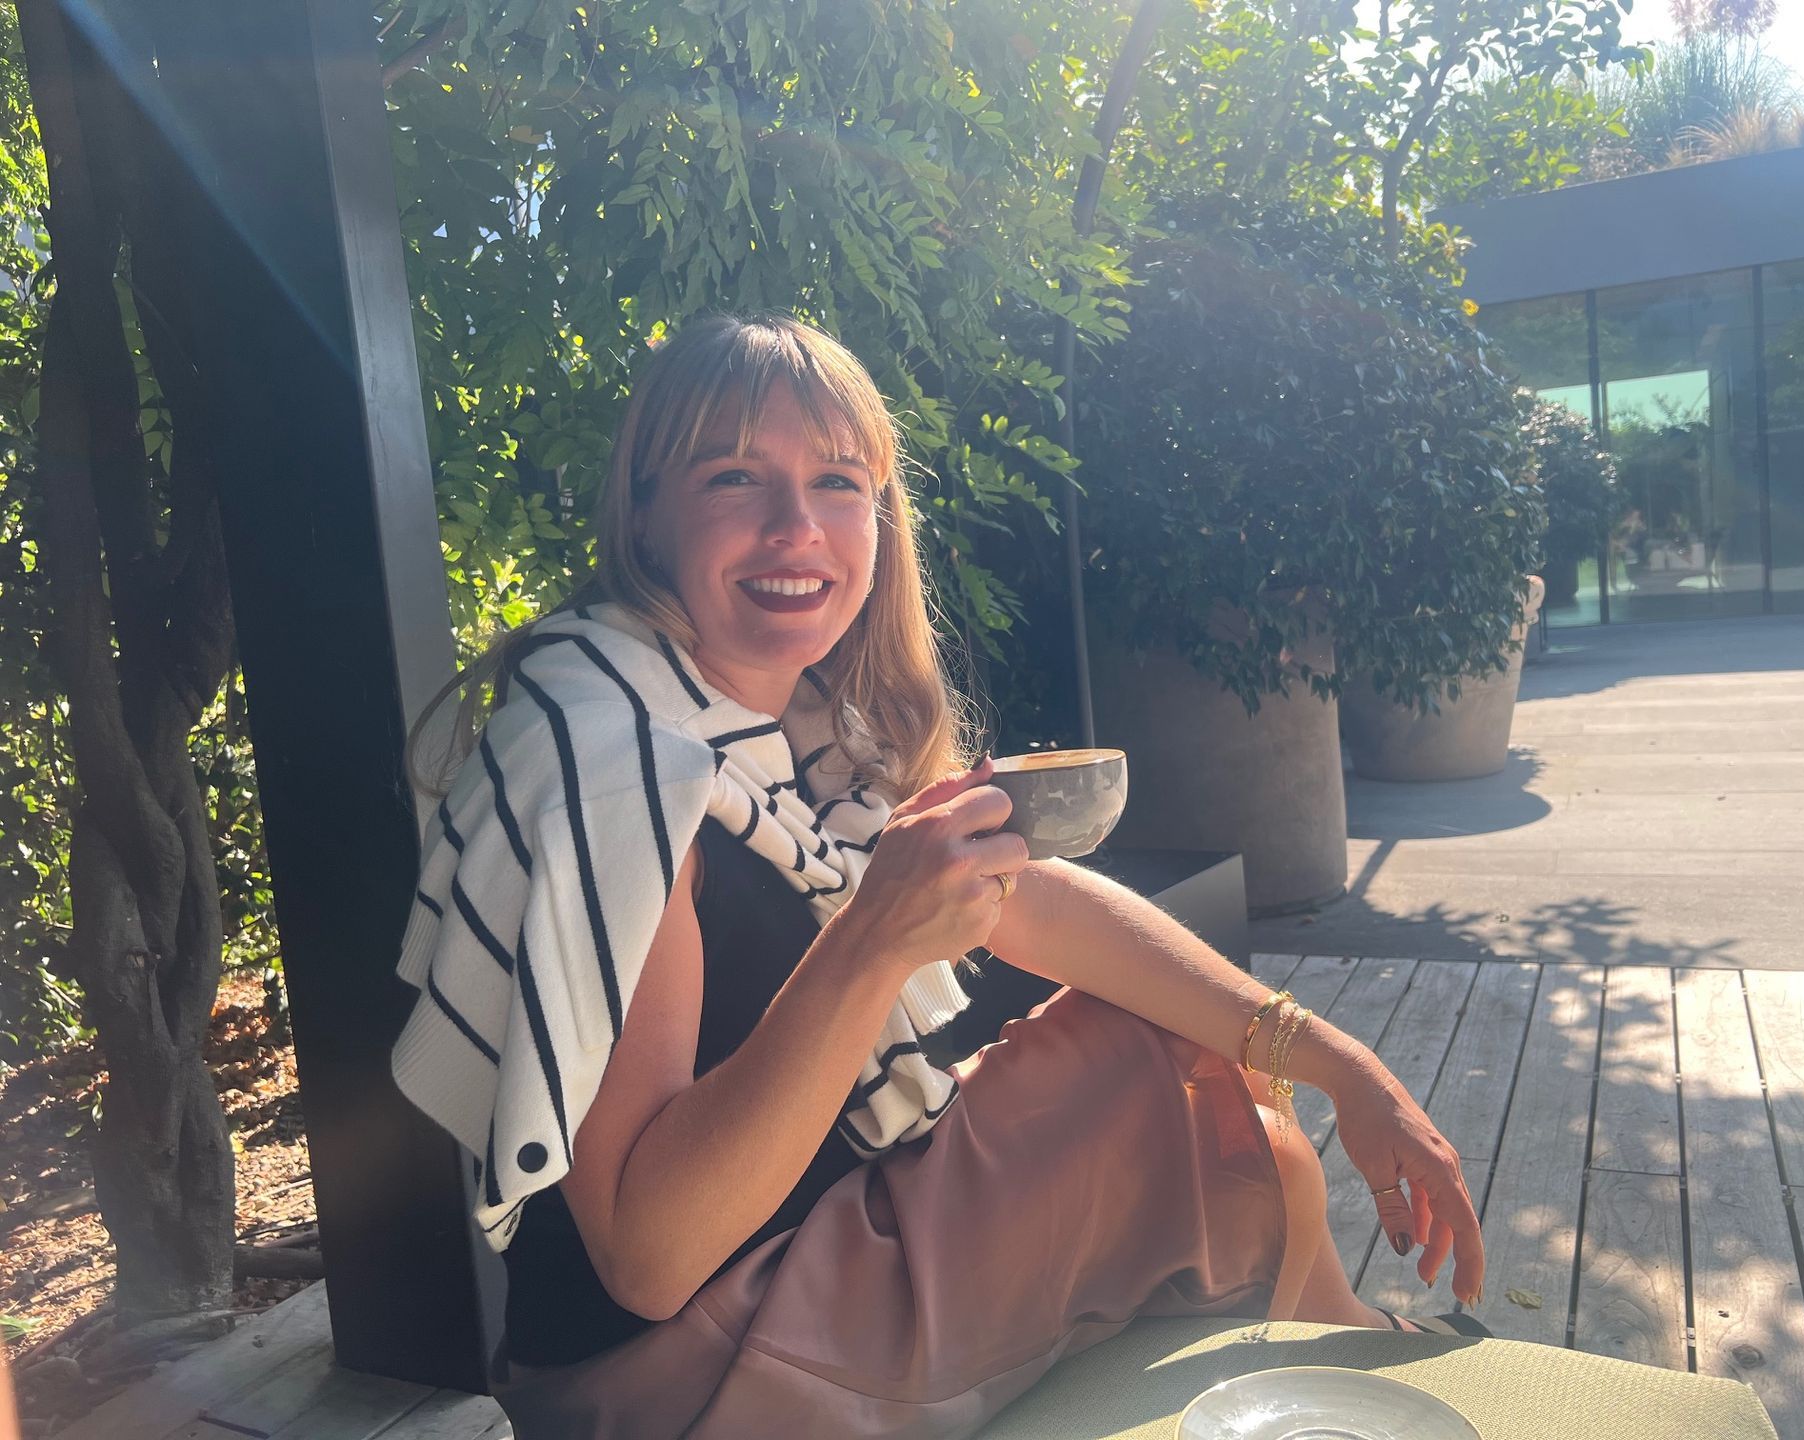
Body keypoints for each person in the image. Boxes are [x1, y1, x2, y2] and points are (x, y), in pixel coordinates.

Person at [391, 313, 1487, 1439]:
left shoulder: (791, 724)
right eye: (733, 477)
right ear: (643, 513)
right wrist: (873, 940)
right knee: (1185, 1103)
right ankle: (1344, 1360)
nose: (795, 526)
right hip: (679, 1377)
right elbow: (648, 1259)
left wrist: (1342, 1066)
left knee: (1191, 1055)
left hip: (809, 1255)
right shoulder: (618, 769)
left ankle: (1334, 1341)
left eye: (837, 481)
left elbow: (1033, 901)